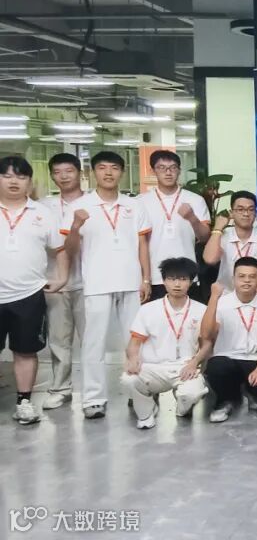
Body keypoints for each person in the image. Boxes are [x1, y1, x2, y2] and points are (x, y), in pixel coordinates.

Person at [64, 151, 151, 419]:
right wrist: (76, 226)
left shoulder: (134, 205)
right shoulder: (80, 206)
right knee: (93, 342)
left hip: (131, 281)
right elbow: (70, 249)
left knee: (135, 340)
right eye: (102, 168)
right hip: (97, 282)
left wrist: (145, 278)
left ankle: (136, 391)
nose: (109, 173)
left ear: (122, 172)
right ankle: (93, 398)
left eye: (114, 167)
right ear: (93, 172)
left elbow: (142, 245)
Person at [0, 156, 67, 425]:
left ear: (29, 181)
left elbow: (60, 249)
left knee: (25, 350)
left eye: (20, 176)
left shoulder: (42, 213)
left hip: (29, 294)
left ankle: (24, 402)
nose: (14, 181)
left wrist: (62, 277)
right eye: (6, 176)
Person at [120, 257, 208, 429]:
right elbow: (135, 342)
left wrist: (195, 363)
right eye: (172, 279)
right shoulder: (148, 310)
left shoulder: (201, 310)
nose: (177, 284)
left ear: (191, 282)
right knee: (128, 379)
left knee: (192, 393)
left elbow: (207, 344)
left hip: (184, 367)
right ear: (164, 281)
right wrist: (132, 359)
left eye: (183, 279)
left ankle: (182, 408)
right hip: (153, 367)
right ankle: (146, 413)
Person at [196, 257, 257, 423]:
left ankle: (250, 392)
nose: (246, 281)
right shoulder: (222, 303)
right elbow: (206, 334)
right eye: (241, 276)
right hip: (228, 358)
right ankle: (225, 400)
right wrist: (213, 298)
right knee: (216, 367)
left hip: (255, 359)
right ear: (233, 278)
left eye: (252, 276)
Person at [40, 153, 85, 411]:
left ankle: (93, 390)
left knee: (91, 341)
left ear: (80, 173)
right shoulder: (43, 207)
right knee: (59, 341)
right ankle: (60, 388)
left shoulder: (93, 203)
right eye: (57, 172)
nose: (64, 176)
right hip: (54, 281)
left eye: (69, 171)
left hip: (88, 282)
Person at [137, 150, 210, 300]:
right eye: (162, 168)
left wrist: (192, 218)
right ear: (153, 171)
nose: (168, 172)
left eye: (173, 167)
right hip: (154, 277)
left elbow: (205, 237)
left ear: (179, 171)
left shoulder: (195, 200)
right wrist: (145, 279)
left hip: (187, 276)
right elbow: (138, 242)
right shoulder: (140, 202)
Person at [203, 191, 257, 295]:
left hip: (254, 296)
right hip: (225, 295)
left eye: (251, 209)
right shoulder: (222, 235)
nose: (246, 214)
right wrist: (218, 228)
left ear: (255, 214)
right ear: (231, 213)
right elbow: (210, 260)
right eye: (240, 209)